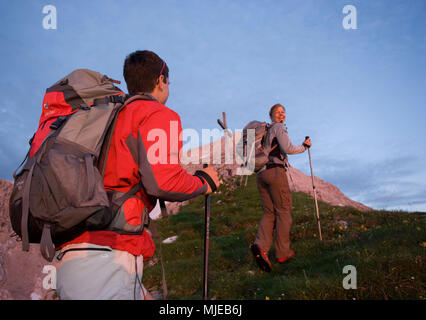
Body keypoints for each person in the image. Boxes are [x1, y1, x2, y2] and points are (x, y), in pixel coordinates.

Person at [54, 50, 220, 299]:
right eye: (168, 82)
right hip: (110, 256)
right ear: (161, 80)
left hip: (69, 257)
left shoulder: (107, 115)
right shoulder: (157, 114)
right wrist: (204, 182)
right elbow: (163, 182)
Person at [250, 103, 311, 272]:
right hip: (276, 172)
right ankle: (283, 252)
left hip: (261, 174)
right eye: (278, 112)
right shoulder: (278, 127)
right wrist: (304, 147)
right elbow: (288, 148)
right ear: (272, 115)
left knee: (269, 212)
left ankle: (260, 246)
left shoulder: (264, 132)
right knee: (284, 210)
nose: (281, 114)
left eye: (283, 111)